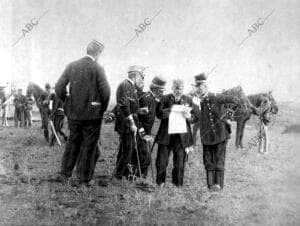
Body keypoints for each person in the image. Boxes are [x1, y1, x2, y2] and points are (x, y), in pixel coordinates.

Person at [55, 40, 110, 185]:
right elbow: (106, 92)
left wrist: (67, 101)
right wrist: (101, 108)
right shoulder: (98, 68)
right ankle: (84, 179)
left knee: (73, 143)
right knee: (89, 146)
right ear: (98, 53)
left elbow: (59, 86)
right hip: (93, 115)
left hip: (74, 113)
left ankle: (65, 174)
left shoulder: (72, 65)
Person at [192, 73, 239, 191]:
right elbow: (195, 118)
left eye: (201, 86)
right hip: (206, 136)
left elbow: (235, 100)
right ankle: (210, 186)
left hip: (220, 134)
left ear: (206, 86)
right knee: (208, 162)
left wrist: (228, 115)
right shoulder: (196, 101)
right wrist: (192, 109)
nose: (199, 89)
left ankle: (219, 186)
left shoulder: (216, 96)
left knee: (219, 161)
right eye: (197, 87)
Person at [155, 79, 194, 187]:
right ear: (172, 88)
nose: (179, 90)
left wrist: (189, 116)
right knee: (161, 161)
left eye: (181, 88)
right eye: (177, 88)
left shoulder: (188, 99)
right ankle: (160, 183)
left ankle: (178, 184)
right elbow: (158, 114)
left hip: (181, 137)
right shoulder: (164, 98)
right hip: (166, 136)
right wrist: (171, 109)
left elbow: (195, 117)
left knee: (180, 162)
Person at [114, 65, 146, 180]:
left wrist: (138, 110)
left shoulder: (130, 86)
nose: (141, 80)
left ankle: (120, 173)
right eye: (141, 77)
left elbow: (130, 106)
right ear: (136, 75)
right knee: (127, 150)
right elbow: (124, 106)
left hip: (127, 123)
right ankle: (119, 175)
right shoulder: (126, 85)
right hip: (126, 124)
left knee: (127, 149)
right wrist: (132, 123)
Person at [137, 76, 166, 178]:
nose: (163, 92)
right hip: (140, 133)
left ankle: (139, 177)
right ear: (155, 89)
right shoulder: (146, 98)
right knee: (144, 156)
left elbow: (159, 113)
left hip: (146, 132)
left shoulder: (154, 99)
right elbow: (138, 118)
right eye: (161, 90)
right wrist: (143, 134)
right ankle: (139, 178)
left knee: (144, 156)